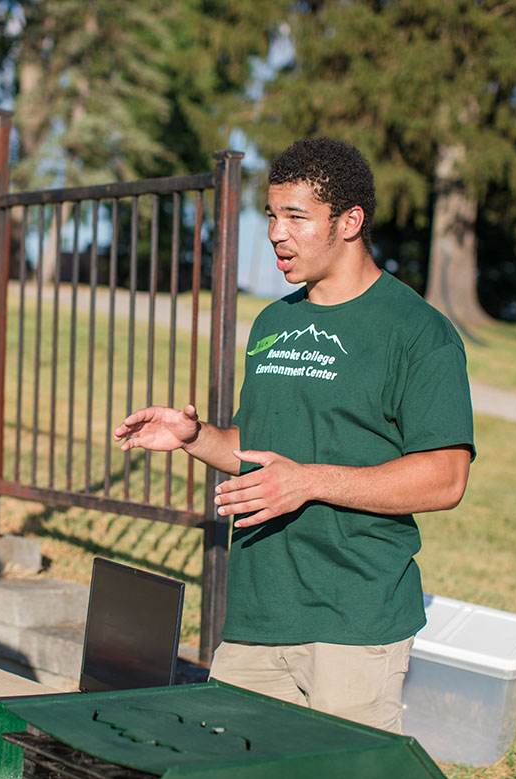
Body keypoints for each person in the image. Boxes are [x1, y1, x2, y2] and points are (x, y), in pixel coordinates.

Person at [114, 137, 474, 732]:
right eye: (272, 217)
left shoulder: (418, 333)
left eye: (297, 218)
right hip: (255, 619)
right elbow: (257, 456)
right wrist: (194, 435)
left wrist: (307, 483)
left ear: (350, 221)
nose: (278, 234)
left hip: (352, 626)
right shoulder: (275, 321)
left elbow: (446, 478)